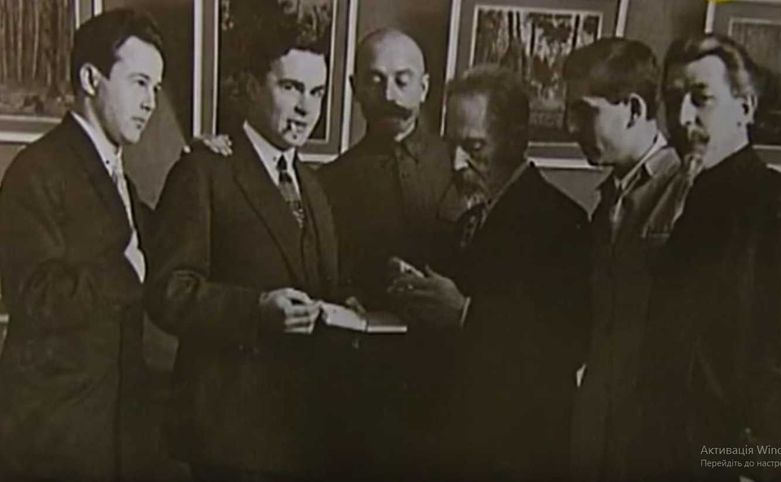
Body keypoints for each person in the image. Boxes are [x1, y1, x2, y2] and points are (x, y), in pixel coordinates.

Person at [145, 23, 344, 481]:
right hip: (232, 437)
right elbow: (168, 291)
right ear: (252, 87)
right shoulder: (203, 170)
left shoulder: (313, 185)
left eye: (316, 92)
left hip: (303, 432)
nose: (306, 108)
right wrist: (255, 310)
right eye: (291, 88)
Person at [390, 65, 591, 480]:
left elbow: (566, 345)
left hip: (519, 454)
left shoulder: (561, 221)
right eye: (451, 145)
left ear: (515, 140)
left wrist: (465, 313)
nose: (456, 162)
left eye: (474, 146)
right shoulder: (471, 217)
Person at [0, 9, 164, 481]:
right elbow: (35, 297)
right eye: (139, 83)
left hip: (113, 432)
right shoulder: (37, 170)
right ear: (92, 79)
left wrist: (202, 166)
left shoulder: (119, 177)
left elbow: (161, 238)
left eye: (156, 88)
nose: (151, 102)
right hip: (55, 437)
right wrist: (124, 273)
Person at [637, 33, 781, 481]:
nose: (682, 118)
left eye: (701, 98)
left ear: (745, 108)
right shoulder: (687, 204)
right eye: (673, 100)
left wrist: (759, 470)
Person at [315, 28, 461, 478]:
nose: (389, 95)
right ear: (354, 87)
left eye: (402, 79)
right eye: (375, 80)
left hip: (454, 381)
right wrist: (347, 293)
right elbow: (324, 273)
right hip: (367, 387)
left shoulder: (462, 164)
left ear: (425, 86)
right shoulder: (328, 182)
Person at [562, 38, 690, 482]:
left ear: (634, 109)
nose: (570, 127)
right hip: (597, 430)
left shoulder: (689, 194)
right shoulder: (607, 204)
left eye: (584, 112)